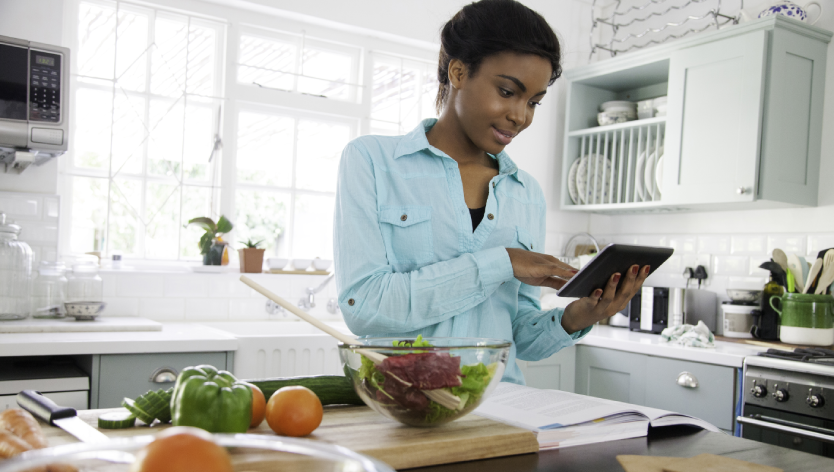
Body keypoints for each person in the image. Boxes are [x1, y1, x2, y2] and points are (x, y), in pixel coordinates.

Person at [333, 0, 649, 384]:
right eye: (507, 91)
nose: (521, 115)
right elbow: (365, 306)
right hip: (402, 407)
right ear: (459, 72)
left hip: (501, 408)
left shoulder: (525, 193)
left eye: (533, 101)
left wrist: (577, 317)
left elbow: (521, 338)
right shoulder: (372, 161)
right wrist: (503, 262)